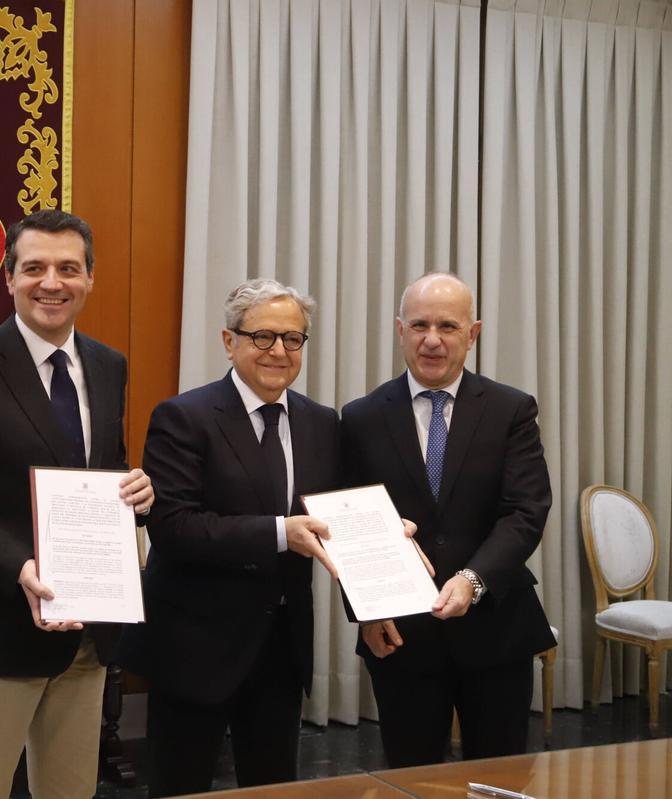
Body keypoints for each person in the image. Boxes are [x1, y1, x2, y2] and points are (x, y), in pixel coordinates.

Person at [0, 209, 154, 799]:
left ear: (90, 278)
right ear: (8, 277)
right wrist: (17, 565)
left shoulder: (107, 365)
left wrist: (135, 492)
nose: (52, 282)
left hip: (87, 629)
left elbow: (99, 471)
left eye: (69, 268)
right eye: (35, 267)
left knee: (70, 790)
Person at [117, 278, 342, 795]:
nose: (278, 351)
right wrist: (280, 533)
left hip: (281, 646)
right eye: (262, 337)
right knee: (182, 786)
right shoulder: (185, 417)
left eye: (292, 339)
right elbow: (175, 528)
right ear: (229, 341)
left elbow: (334, 513)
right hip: (195, 646)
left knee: (274, 788)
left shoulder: (321, 423)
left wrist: (379, 531)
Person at [341, 271, 554, 767]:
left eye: (448, 326)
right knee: (413, 777)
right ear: (400, 331)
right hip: (399, 635)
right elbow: (348, 524)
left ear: (473, 333)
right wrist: (367, 610)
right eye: (419, 325)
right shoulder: (361, 417)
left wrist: (473, 579)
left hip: (496, 629)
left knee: (501, 776)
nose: (432, 340)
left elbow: (526, 510)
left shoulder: (510, 409)